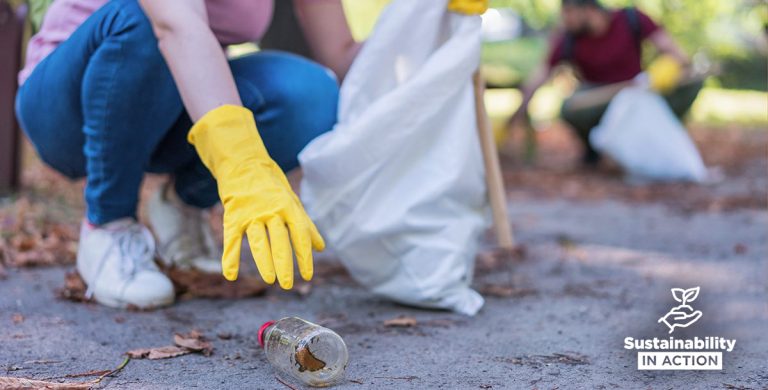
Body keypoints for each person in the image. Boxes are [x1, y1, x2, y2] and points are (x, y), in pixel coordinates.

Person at [15, 0, 487, 310]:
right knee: (142, 18)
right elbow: (173, 24)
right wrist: (241, 163)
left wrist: (432, 25)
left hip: (173, 105)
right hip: (69, 107)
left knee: (311, 93)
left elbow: (344, 57)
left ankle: (183, 202)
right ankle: (109, 224)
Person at [510, 0, 702, 165]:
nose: (564, 20)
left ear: (588, 9)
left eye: (568, 12)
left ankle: (665, 131)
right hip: (600, 98)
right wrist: (519, 110)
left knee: (692, 82)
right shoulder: (569, 40)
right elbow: (542, 73)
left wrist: (668, 68)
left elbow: (674, 52)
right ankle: (593, 149)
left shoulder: (631, 19)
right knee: (570, 107)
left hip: (638, 90)